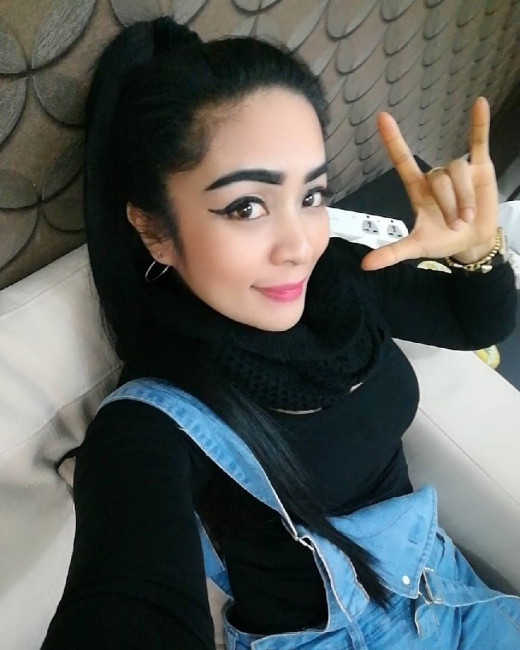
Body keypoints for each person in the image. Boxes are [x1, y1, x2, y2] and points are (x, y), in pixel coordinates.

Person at [41, 17, 519, 650]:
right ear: (155, 230)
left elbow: (474, 322)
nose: (299, 245)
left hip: (449, 592)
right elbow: (127, 599)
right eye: (247, 206)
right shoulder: (152, 423)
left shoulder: (340, 281)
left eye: (311, 196)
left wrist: (478, 251)